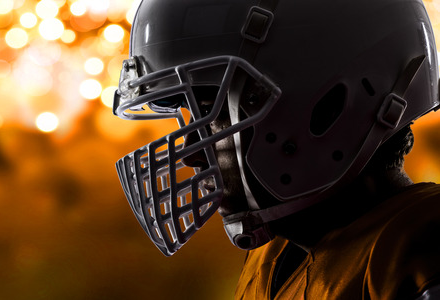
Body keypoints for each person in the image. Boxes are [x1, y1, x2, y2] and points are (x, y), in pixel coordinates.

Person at [112, 0, 440, 298]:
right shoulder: (270, 259)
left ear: (327, 105)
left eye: (214, 110)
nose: (190, 153)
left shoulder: (420, 251)